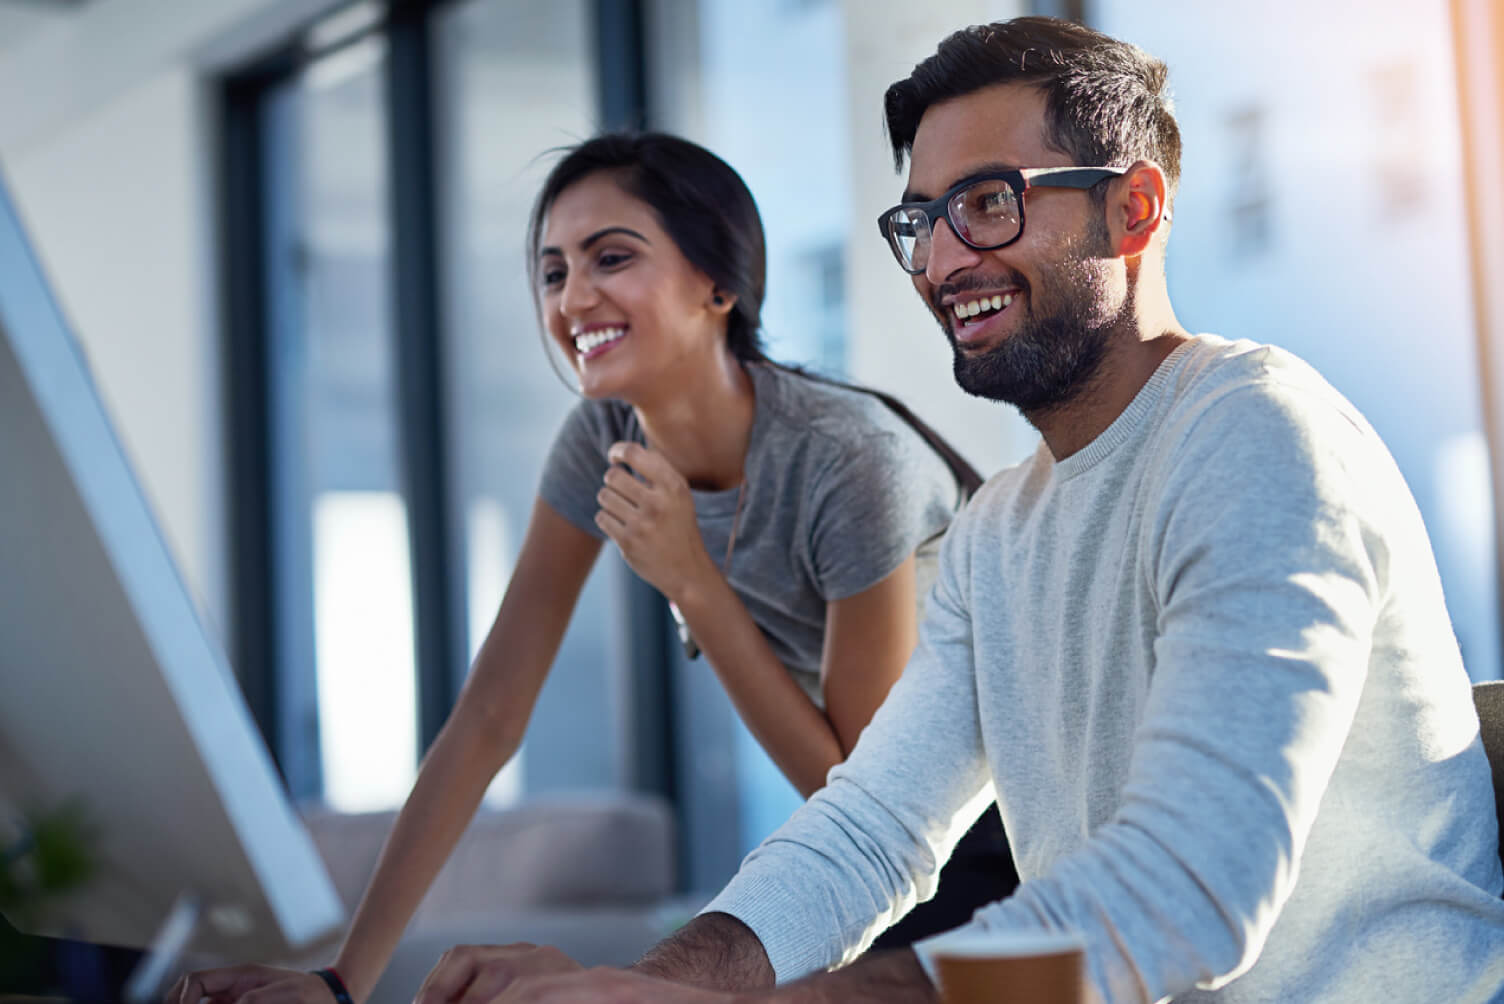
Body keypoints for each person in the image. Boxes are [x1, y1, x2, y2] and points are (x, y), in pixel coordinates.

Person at [421, 16, 1504, 1004]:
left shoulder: (1256, 435)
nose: (941, 260)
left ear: (1133, 209)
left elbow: (1186, 887)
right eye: (920, 220)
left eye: (988, 203)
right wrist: (647, 983)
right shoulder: (998, 530)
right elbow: (869, 827)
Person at [169, 133, 1019, 1004]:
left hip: (1005, 828)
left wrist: (692, 581)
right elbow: (491, 714)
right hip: (867, 861)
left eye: (611, 257)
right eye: (552, 272)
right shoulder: (601, 440)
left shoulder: (849, 459)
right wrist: (345, 980)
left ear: (717, 286)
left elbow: (857, 795)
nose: (574, 297)